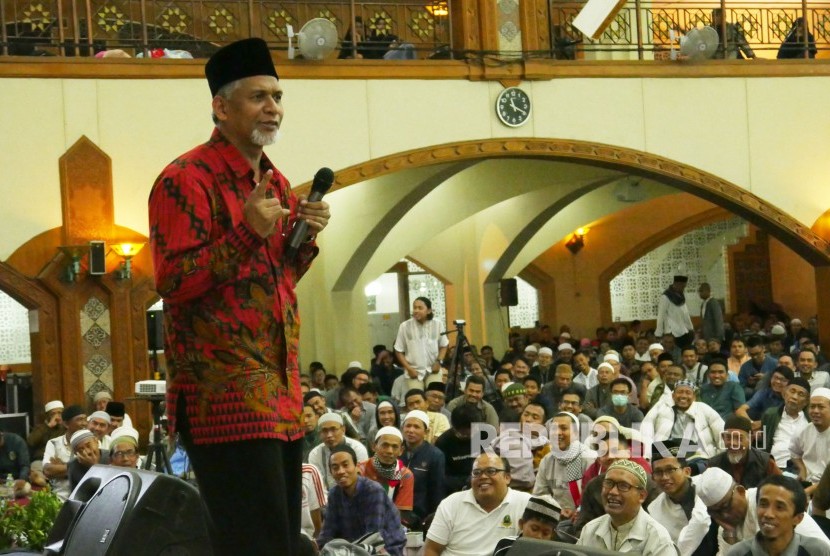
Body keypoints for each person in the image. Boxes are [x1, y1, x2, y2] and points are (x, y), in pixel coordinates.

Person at [148, 37, 330, 556]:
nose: (272, 107)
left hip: (280, 391)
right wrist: (248, 229)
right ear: (221, 106)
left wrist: (303, 237)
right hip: (223, 396)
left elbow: (273, 282)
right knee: (251, 544)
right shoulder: (186, 179)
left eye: (277, 96)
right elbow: (174, 281)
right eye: (258, 97)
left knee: (279, 539)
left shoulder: (274, 181)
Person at [693, 467, 830, 552]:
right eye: (715, 512)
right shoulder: (726, 527)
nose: (724, 515)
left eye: (726, 506)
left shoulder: (763, 504)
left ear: (740, 491)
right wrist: (730, 534)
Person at [424, 454, 532, 555]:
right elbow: (431, 549)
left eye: (491, 471)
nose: (483, 476)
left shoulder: (526, 503)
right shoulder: (451, 503)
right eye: (476, 473)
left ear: (507, 478)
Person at [316, 445, 407, 555]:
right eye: (335, 468)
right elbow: (327, 532)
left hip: (386, 548)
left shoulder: (373, 490)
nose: (341, 471)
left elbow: (373, 535)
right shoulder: (334, 494)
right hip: (352, 549)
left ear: (356, 466)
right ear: (331, 472)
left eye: (345, 465)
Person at [577, 459, 679, 554]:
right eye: (608, 483)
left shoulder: (658, 539)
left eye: (623, 486)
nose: (613, 491)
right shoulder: (590, 529)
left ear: (641, 496)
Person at [725, 475, 830, 555]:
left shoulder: (817, 551)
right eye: (763, 504)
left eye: (779, 507)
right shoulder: (738, 553)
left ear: (798, 518)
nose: (768, 514)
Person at [647, 439, 713, 556]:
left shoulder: (706, 487)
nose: (665, 477)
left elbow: (701, 522)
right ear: (653, 478)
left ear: (687, 471)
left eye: (670, 470)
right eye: (658, 472)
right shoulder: (654, 509)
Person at [642, 379, 725, 458]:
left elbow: (722, 433)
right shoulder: (661, 406)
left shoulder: (703, 408)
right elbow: (645, 430)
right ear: (673, 395)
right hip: (666, 453)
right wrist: (647, 455)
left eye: (688, 393)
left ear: (694, 397)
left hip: (699, 455)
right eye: (680, 392)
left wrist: (719, 457)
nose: (683, 396)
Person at [357, 427, 415, 523]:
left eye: (395, 447)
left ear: (401, 450)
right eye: (385, 445)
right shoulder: (360, 470)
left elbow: (401, 513)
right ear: (374, 446)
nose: (389, 451)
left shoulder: (405, 475)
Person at [707, 415, 780, 489]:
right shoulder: (714, 465)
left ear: (750, 439)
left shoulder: (765, 462)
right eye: (728, 437)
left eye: (739, 438)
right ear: (723, 438)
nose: (733, 443)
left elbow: (781, 489)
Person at [400, 409, 445, 525]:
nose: (411, 430)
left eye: (416, 427)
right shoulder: (395, 451)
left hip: (421, 516)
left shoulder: (435, 455)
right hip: (396, 512)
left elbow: (436, 491)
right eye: (408, 426)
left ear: (426, 431)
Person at [394, 296, 449, 390]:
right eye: (414, 307)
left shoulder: (437, 324)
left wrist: (439, 362)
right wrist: (408, 368)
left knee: (435, 395)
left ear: (429, 310)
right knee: (416, 398)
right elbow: (398, 350)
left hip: (433, 370)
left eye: (420, 308)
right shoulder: (405, 326)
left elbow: (444, 345)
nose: (416, 310)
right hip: (414, 371)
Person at [760, 377, 810, 471]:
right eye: (792, 391)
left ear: (806, 402)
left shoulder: (810, 420)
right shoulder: (770, 415)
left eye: (800, 394)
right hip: (775, 467)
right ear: (784, 394)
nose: (795, 397)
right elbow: (764, 443)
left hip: (802, 469)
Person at [309, 413, 369, 489]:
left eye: (333, 429)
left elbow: (361, 479)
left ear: (343, 430)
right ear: (320, 433)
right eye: (324, 431)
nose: (329, 435)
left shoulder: (357, 448)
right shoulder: (315, 454)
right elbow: (317, 484)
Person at [789, 387, 830, 494]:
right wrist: (802, 470)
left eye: (821, 407)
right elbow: (794, 453)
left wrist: (806, 493)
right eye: (812, 407)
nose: (815, 411)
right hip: (807, 481)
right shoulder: (803, 430)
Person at [492, 496, 562, 554]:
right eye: (534, 529)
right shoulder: (506, 546)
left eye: (545, 533)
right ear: (521, 524)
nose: (539, 537)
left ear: (552, 534)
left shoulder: (554, 553)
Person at [656, 275, 694, 350]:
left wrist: (691, 328)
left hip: (684, 331)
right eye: (682, 287)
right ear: (676, 284)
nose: (683, 289)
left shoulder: (681, 297)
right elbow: (661, 316)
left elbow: (686, 314)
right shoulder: (665, 297)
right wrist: (658, 334)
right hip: (672, 333)